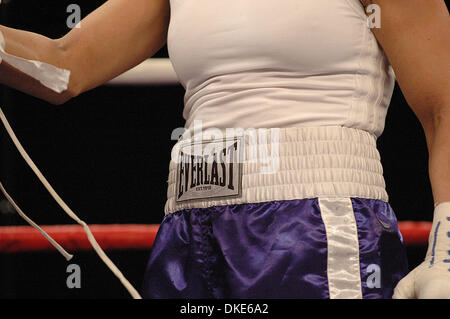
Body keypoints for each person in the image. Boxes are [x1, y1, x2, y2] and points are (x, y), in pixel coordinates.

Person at [0, 0, 449, 299]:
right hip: (191, 227)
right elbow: (64, 66)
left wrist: (447, 248)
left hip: (315, 224)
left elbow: (444, 105)